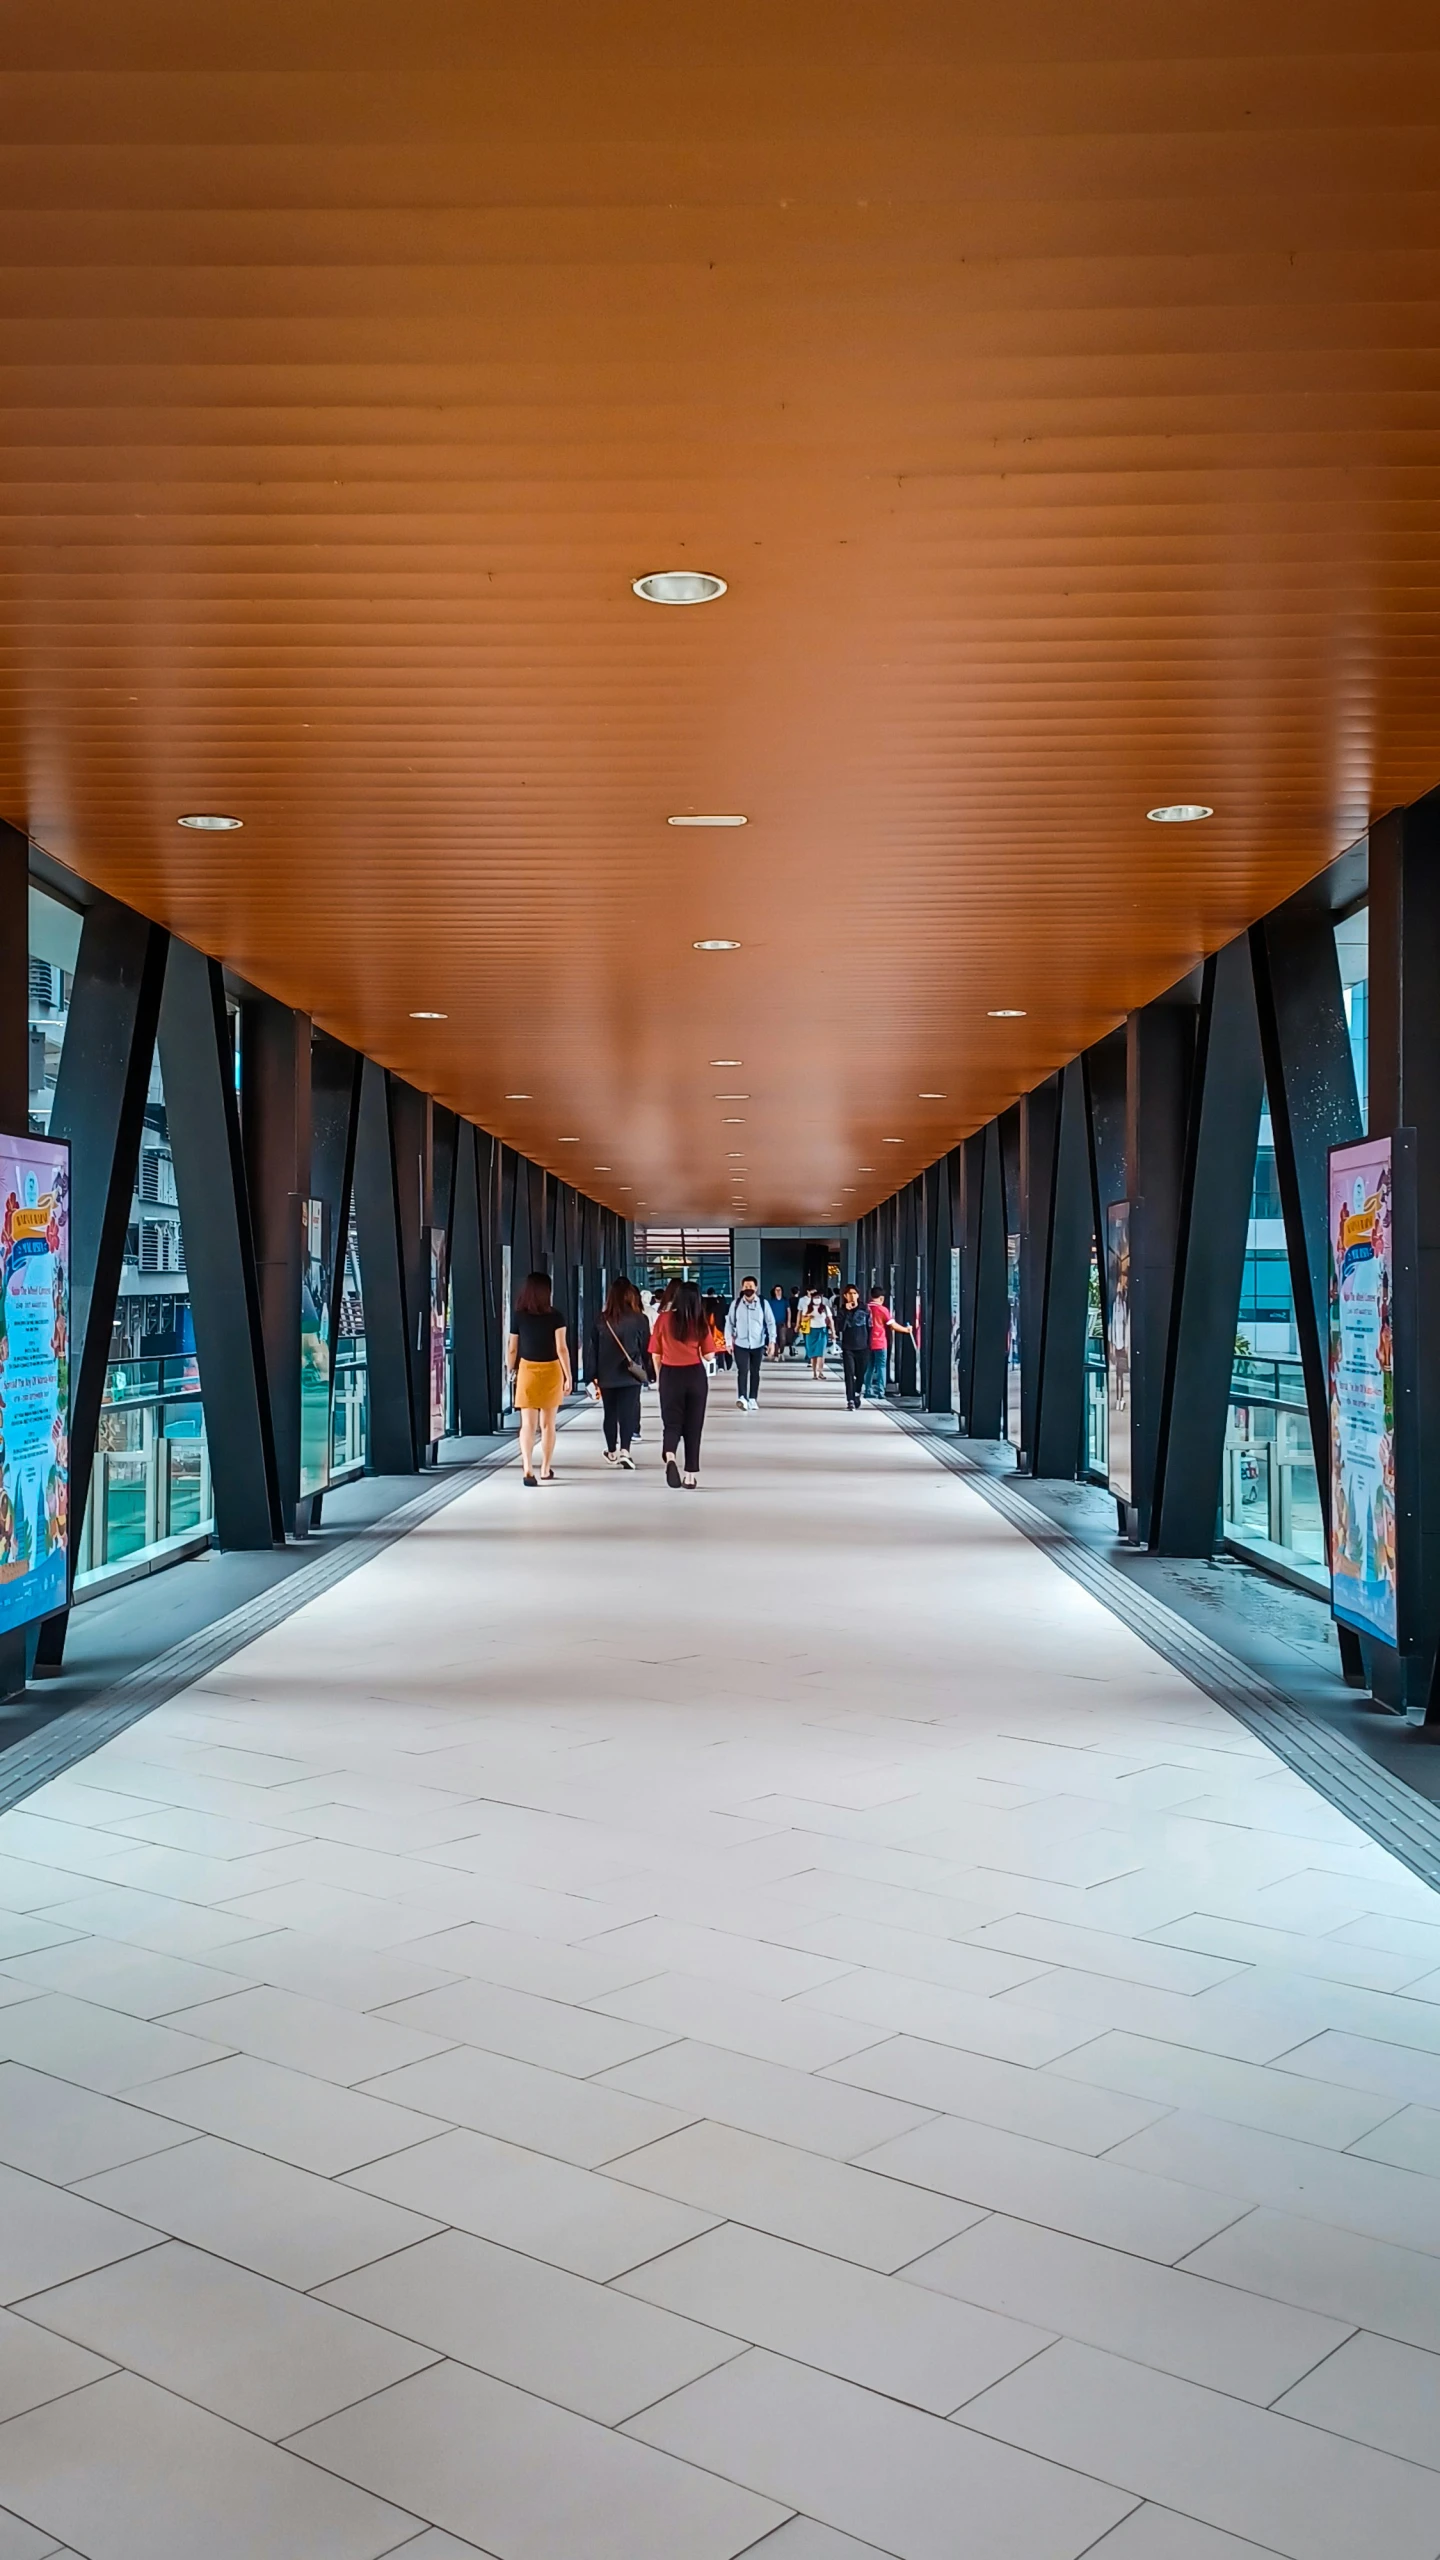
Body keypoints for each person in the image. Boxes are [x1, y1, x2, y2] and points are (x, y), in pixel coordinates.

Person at [508, 1269, 571, 1484]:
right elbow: (561, 1348)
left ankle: (527, 1468)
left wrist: (510, 1370)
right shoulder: (556, 1316)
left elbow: (512, 1348)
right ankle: (545, 1468)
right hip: (552, 1369)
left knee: (527, 1424)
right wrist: (568, 1375)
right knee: (548, 1424)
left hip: (528, 1369)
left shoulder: (519, 1316)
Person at [650, 1277, 709, 1487]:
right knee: (694, 1425)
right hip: (695, 1375)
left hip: (670, 1375)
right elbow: (709, 1355)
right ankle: (690, 1475)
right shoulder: (699, 1320)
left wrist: (660, 1377)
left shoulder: (663, 1319)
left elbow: (655, 1353)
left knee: (672, 1423)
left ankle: (671, 1456)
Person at [590, 1274, 651, 1468]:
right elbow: (645, 1348)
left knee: (610, 1413)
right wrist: (648, 1371)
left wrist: (592, 1376)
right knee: (628, 1413)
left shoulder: (602, 1320)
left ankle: (612, 1451)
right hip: (630, 1374)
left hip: (606, 1375)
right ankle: (625, 1451)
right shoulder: (640, 1319)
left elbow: (593, 1349)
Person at [725, 1274, 776, 1408]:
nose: (748, 1289)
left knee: (755, 1371)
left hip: (758, 1343)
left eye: (751, 1287)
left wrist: (772, 1341)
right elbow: (729, 1324)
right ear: (742, 1288)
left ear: (756, 1288)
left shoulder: (763, 1304)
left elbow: (771, 1323)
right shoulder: (735, 1304)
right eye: (746, 1287)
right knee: (742, 1370)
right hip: (740, 1343)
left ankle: (753, 1397)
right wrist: (728, 1342)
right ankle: (742, 1397)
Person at [864, 1284, 912, 1400]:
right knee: (881, 1367)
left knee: (868, 1367)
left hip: (866, 1342)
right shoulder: (883, 1309)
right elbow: (893, 1326)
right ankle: (881, 1392)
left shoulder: (865, 1308)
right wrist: (906, 1330)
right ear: (881, 1298)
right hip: (880, 1342)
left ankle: (867, 1390)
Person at [837, 1284, 870, 1409]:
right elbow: (840, 1327)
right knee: (849, 1373)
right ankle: (850, 1399)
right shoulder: (842, 1310)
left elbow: (869, 1326)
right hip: (848, 1347)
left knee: (861, 1373)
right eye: (849, 1294)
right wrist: (846, 1312)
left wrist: (870, 1344)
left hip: (863, 1346)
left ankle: (857, 1391)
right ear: (845, 1296)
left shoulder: (865, 1309)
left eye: (854, 1293)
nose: (852, 1296)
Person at [798, 1287, 833, 1378]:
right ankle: (814, 1372)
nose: (817, 1299)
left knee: (821, 1352)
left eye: (818, 1298)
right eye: (815, 1298)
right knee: (813, 1353)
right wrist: (809, 1316)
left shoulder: (824, 1308)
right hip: (811, 1331)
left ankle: (820, 1372)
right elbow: (803, 1318)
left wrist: (833, 1331)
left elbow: (830, 1319)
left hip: (822, 1331)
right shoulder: (807, 1307)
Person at [768, 1285, 790, 1358]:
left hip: (782, 1322)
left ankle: (781, 1349)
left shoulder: (785, 1301)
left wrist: (788, 1321)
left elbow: (788, 1311)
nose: (778, 1291)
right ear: (774, 1292)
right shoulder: (771, 1301)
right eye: (776, 1290)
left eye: (779, 1290)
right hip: (773, 1323)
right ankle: (776, 1353)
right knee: (775, 1338)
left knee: (783, 1339)